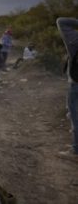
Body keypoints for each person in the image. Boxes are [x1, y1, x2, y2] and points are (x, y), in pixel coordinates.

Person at [56, 17, 78, 158]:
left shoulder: (75, 39)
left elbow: (61, 21)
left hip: (76, 83)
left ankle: (76, 150)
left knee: (76, 116)